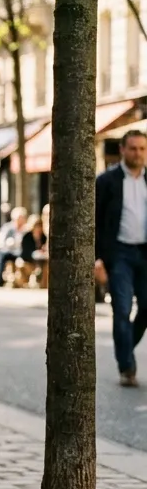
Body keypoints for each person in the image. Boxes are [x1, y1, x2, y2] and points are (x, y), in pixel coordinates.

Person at [96, 129, 147, 387]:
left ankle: (125, 349)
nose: (138, 153)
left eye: (142, 149)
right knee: (123, 309)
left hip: (145, 253)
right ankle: (126, 367)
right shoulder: (107, 181)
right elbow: (94, 221)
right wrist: (97, 260)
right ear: (123, 150)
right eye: (133, 148)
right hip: (119, 255)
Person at [0, 207, 28, 287]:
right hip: (9, 251)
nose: (21, 220)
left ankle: (21, 281)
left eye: (22, 218)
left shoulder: (26, 229)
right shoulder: (8, 227)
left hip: (20, 252)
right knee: (1, 255)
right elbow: (1, 240)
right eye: (20, 218)